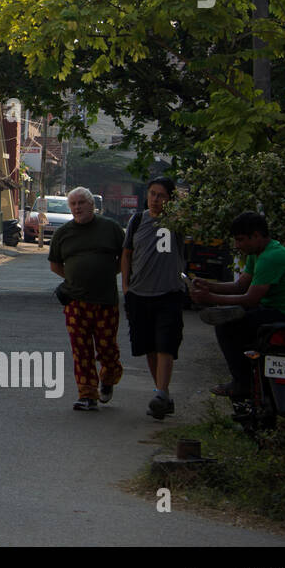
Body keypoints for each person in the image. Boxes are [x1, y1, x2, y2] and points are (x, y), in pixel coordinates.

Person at [190, 211, 285, 400]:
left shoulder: (271, 257)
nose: (237, 245)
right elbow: (240, 286)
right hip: (278, 311)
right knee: (236, 316)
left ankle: (242, 383)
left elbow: (251, 298)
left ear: (257, 236)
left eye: (241, 240)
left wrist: (210, 298)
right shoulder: (258, 254)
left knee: (226, 326)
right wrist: (208, 285)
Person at [48, 186, 125, 411]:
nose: (77, 207)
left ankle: (109, 378)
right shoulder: (63, 233)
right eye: (73, 204)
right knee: (81, 350)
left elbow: (126, 258)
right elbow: (55, 265)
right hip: (75, 302)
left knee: (107, 350)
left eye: (81, 202)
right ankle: (87, 394)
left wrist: (107, 274)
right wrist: (75, 280)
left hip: (105, 301)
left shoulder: (110, 228)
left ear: (92, 204)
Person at [121, 177, 187, 420]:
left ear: (170, 200)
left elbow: (195, 222)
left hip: (169, 293)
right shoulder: (137, 221)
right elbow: (126, 255)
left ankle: (160, 393)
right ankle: (163, 394)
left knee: (166, 345)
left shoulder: (177, 223)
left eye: (161, 195)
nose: (156, 199)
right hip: (139, 295)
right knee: (148, 347)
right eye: (152, 194)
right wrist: (126, 287)